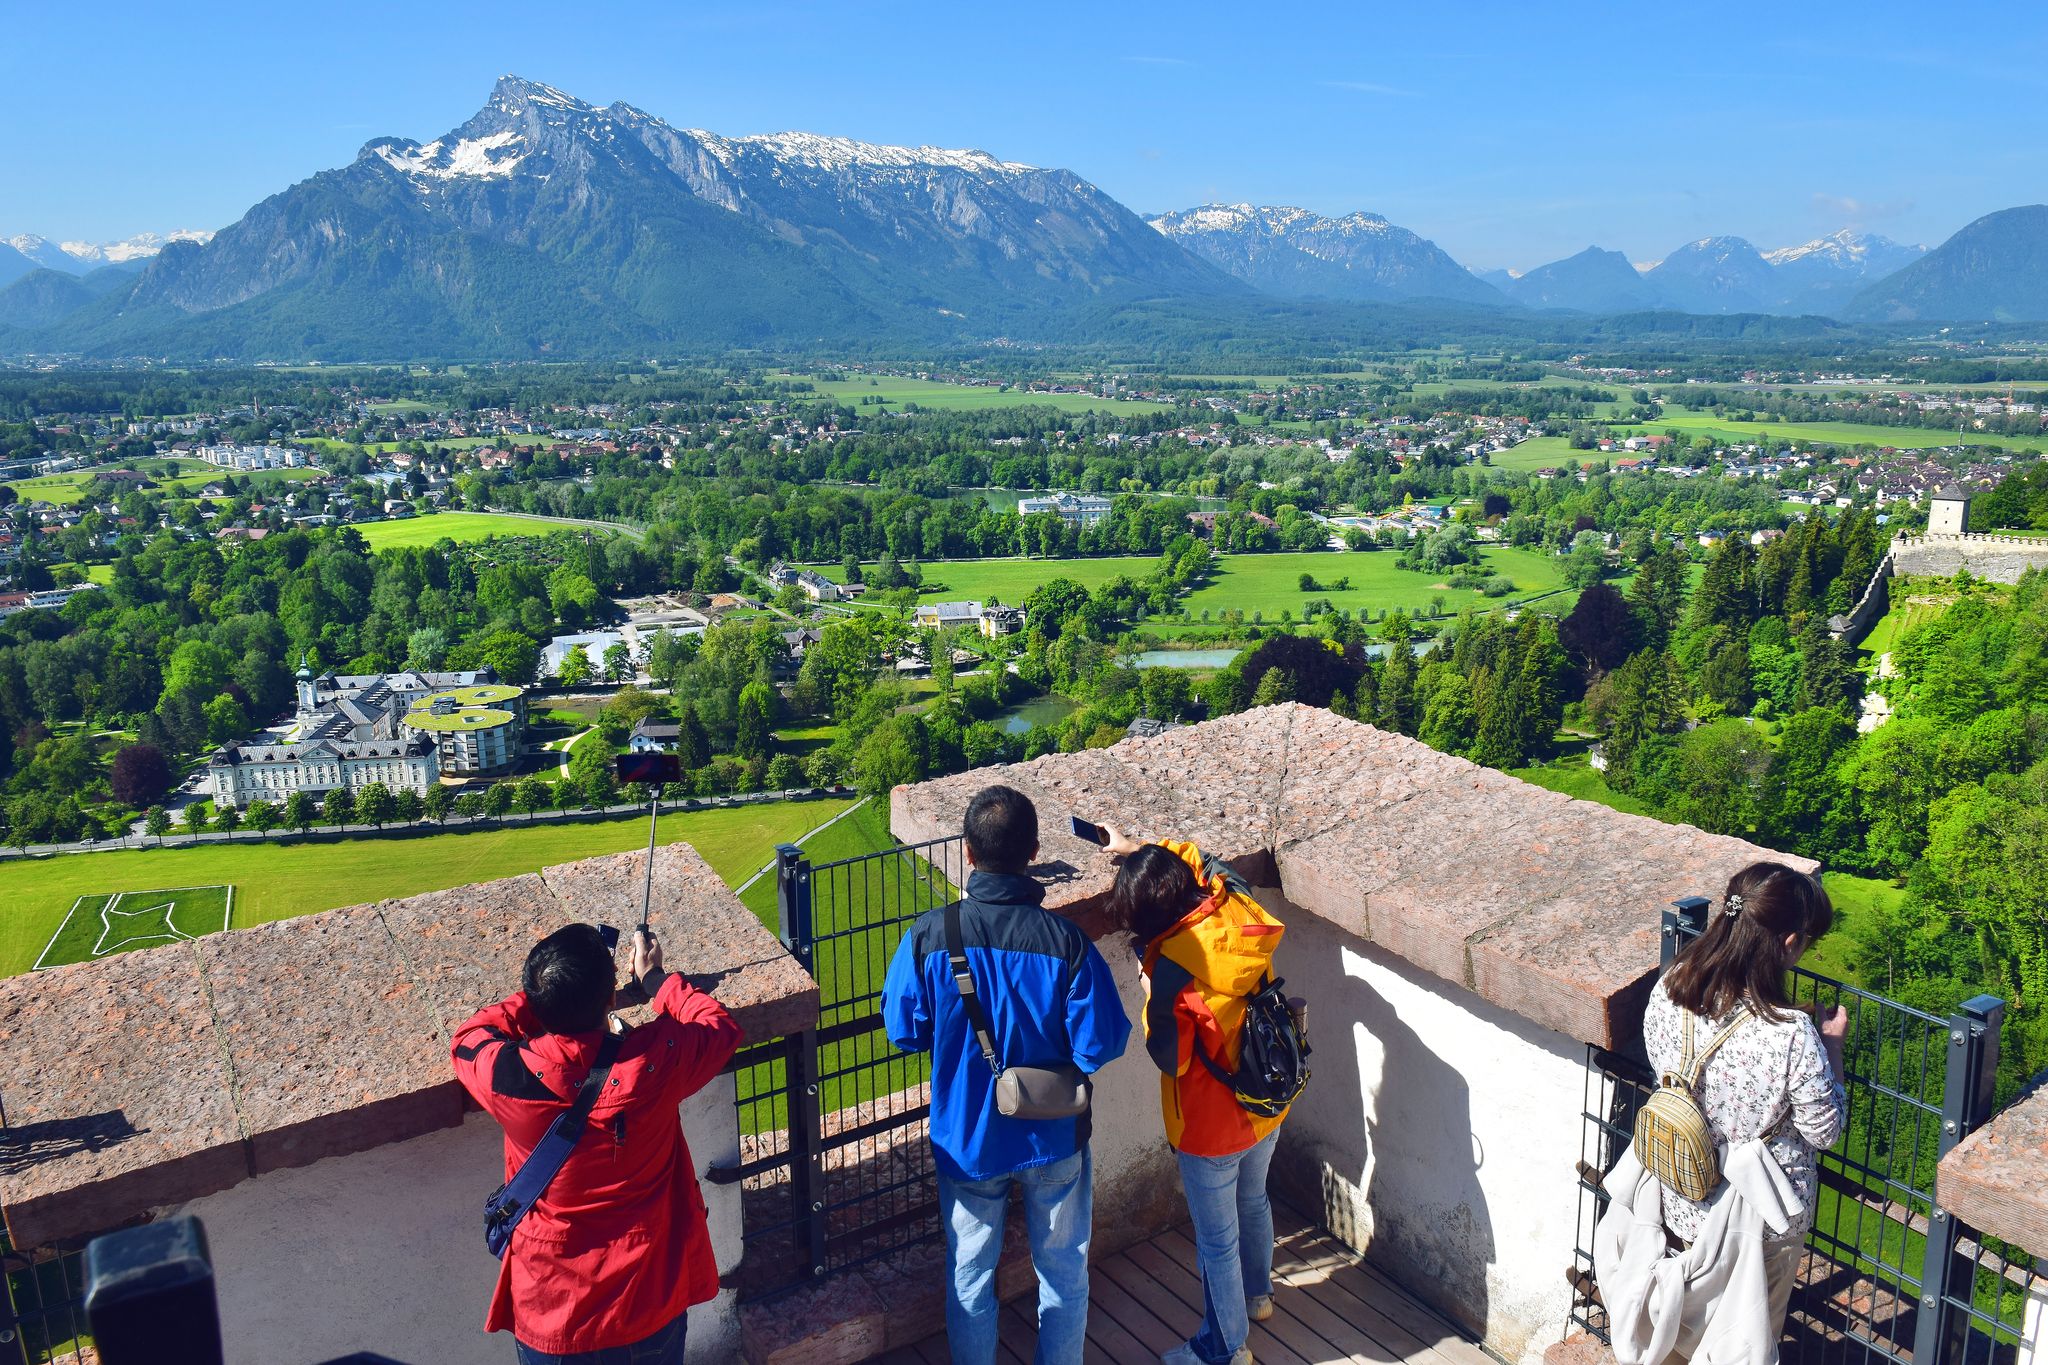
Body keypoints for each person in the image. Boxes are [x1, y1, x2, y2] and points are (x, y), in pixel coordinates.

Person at [882, 785, 1132, 1365]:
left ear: (967, 853)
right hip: (1053, 1137)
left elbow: (903, 1029)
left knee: (970, 1275)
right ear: (1034, 851)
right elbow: (1101, 1046)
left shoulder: (929, 937)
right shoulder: (1066, 942)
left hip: (967, 1138)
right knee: (1064, 1271)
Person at [453, 923, 742, 1365]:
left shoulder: (505, 1075)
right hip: (648, 1298)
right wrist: (656, 981)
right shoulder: (655, 1059)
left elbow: (469, 1036)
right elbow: (717, 1025)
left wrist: (543, 998)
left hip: (554, 1311)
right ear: (609, 998)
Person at [1598, 862, 1849, 1365]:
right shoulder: (1791, 1035)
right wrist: (1833, 1049)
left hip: (1677, 1190)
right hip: (1757, 1219)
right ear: (1788, 942)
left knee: (1674, 1331)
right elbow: (1825, 1131)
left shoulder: (1670, 988)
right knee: (1740, 1338)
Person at [1103, 827, 1293, 1365]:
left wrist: (1148, 999)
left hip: (1210, 1128)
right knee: (1255, 1199)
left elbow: (1171, 1058)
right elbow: (1206, 860)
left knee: (1217, 1244)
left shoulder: (1170, 973)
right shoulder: (1236, 908)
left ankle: (1223, 1347)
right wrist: (1137, 850)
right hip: (1266, 1100)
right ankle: (1258, 1299)